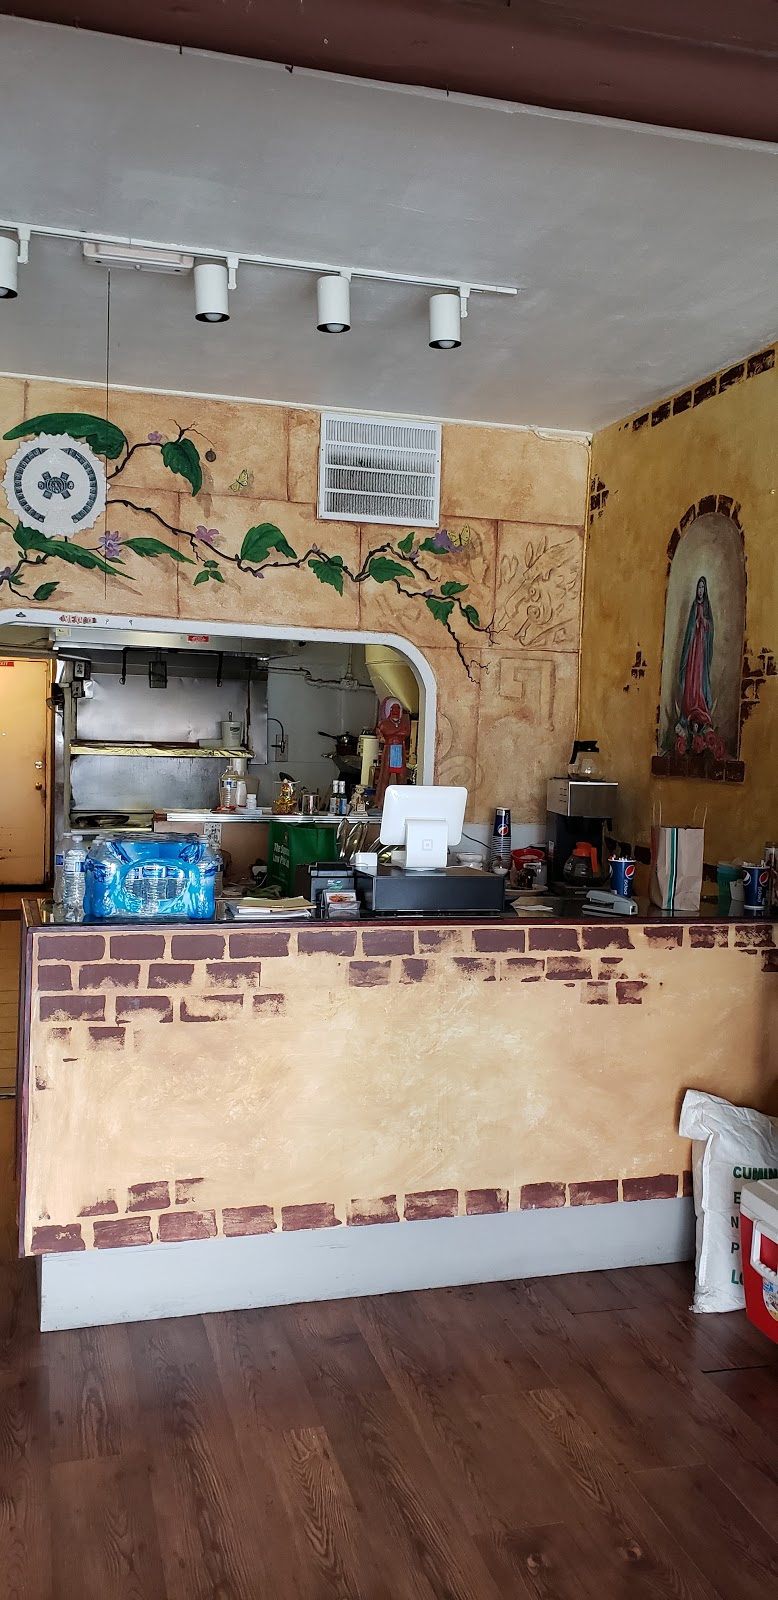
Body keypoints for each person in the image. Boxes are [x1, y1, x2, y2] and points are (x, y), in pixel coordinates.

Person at [679, 575, 714, 730]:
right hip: (693, 646)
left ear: (705, 590)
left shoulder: (707, 606)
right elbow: (689, 628)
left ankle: (699, 706)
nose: (700, 590)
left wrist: (704, 622)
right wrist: (695, 624)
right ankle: (689, 707)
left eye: (702, 587)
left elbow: (711, 628)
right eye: (699, 587)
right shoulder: (694, 605)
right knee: (690, 674)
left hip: (701, 648)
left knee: (699, 676)